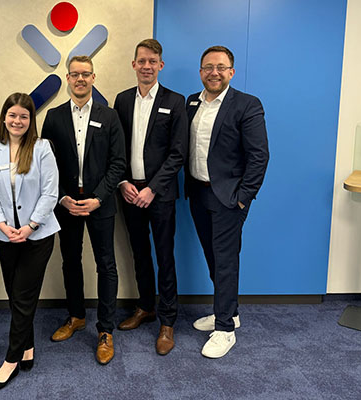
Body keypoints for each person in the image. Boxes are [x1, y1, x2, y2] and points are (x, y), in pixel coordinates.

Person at [41, 55, 126, 365]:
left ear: (93, 77)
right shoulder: (53, 117)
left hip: (99, 202)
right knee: (70, 261)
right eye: (74, 74)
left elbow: (118, 163)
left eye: (85, 74)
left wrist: (100, 197)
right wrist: (62, 197)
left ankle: (105, 330)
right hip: (67, 204)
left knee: (106, 265)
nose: (80, 79)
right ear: (67, 78)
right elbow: (46, 165)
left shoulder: (110, 116)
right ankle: (76, 316)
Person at [185, 45, 269, 358]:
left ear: (231, 72)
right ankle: (229, 310)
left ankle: (225, 328)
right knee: (212, 256)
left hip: (228, 198)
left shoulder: (246, 104)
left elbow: (259, 155)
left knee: (225, 260)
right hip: (197, 192)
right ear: (201, 71)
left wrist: (243, 199)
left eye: (221, 67)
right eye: (208, 67)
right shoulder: (192, 102)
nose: (214, 73)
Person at [113, 39, 188, 355]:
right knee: (139, 252)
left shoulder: (175, 100)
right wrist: (123, 182)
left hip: (160, 193)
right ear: (134, 64)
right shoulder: (123, 100)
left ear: (161, 65)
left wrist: (152, 188)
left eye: (152, 61)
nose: (146, 66)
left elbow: (178, 152)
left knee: (164, 255)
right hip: (130, 191)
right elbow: (115, 148)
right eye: (141, 60)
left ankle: (168, 321)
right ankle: (145, 307)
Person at [0, 93, 59, 391]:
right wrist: (3, 224)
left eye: (23, 117)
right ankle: (27, 346)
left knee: (24, 297)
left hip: (37, 235)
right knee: (16, 296)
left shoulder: (42, 149)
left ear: (31, 121)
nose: (17, 121)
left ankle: (10, 359)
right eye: (12, 115)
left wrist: (28, 227)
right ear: (4, 118)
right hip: (5, 235)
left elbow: (50, 193)